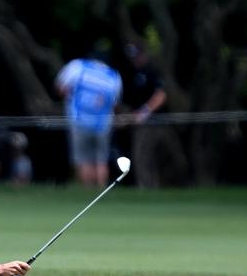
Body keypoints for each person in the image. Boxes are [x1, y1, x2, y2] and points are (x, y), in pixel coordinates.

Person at [54, 49, 122, 187]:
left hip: (79, 121)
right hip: (103, 124)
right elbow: (115, 103)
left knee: (83, 159)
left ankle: (88, 193)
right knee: (101, 160)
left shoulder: (78, 66)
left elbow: (61, 87)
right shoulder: (113, 75)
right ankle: (101, 193)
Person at [120, 42, 168, 188]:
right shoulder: (131, 73)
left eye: (137, 56)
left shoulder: (151, 71)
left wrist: (144, 112)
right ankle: (147, 187)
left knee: (143, 156)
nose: (135, 60)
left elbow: (161, 95)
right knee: (142, 156)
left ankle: (147, 188)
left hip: (153, 122)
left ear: (144, 55)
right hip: (138, 123)